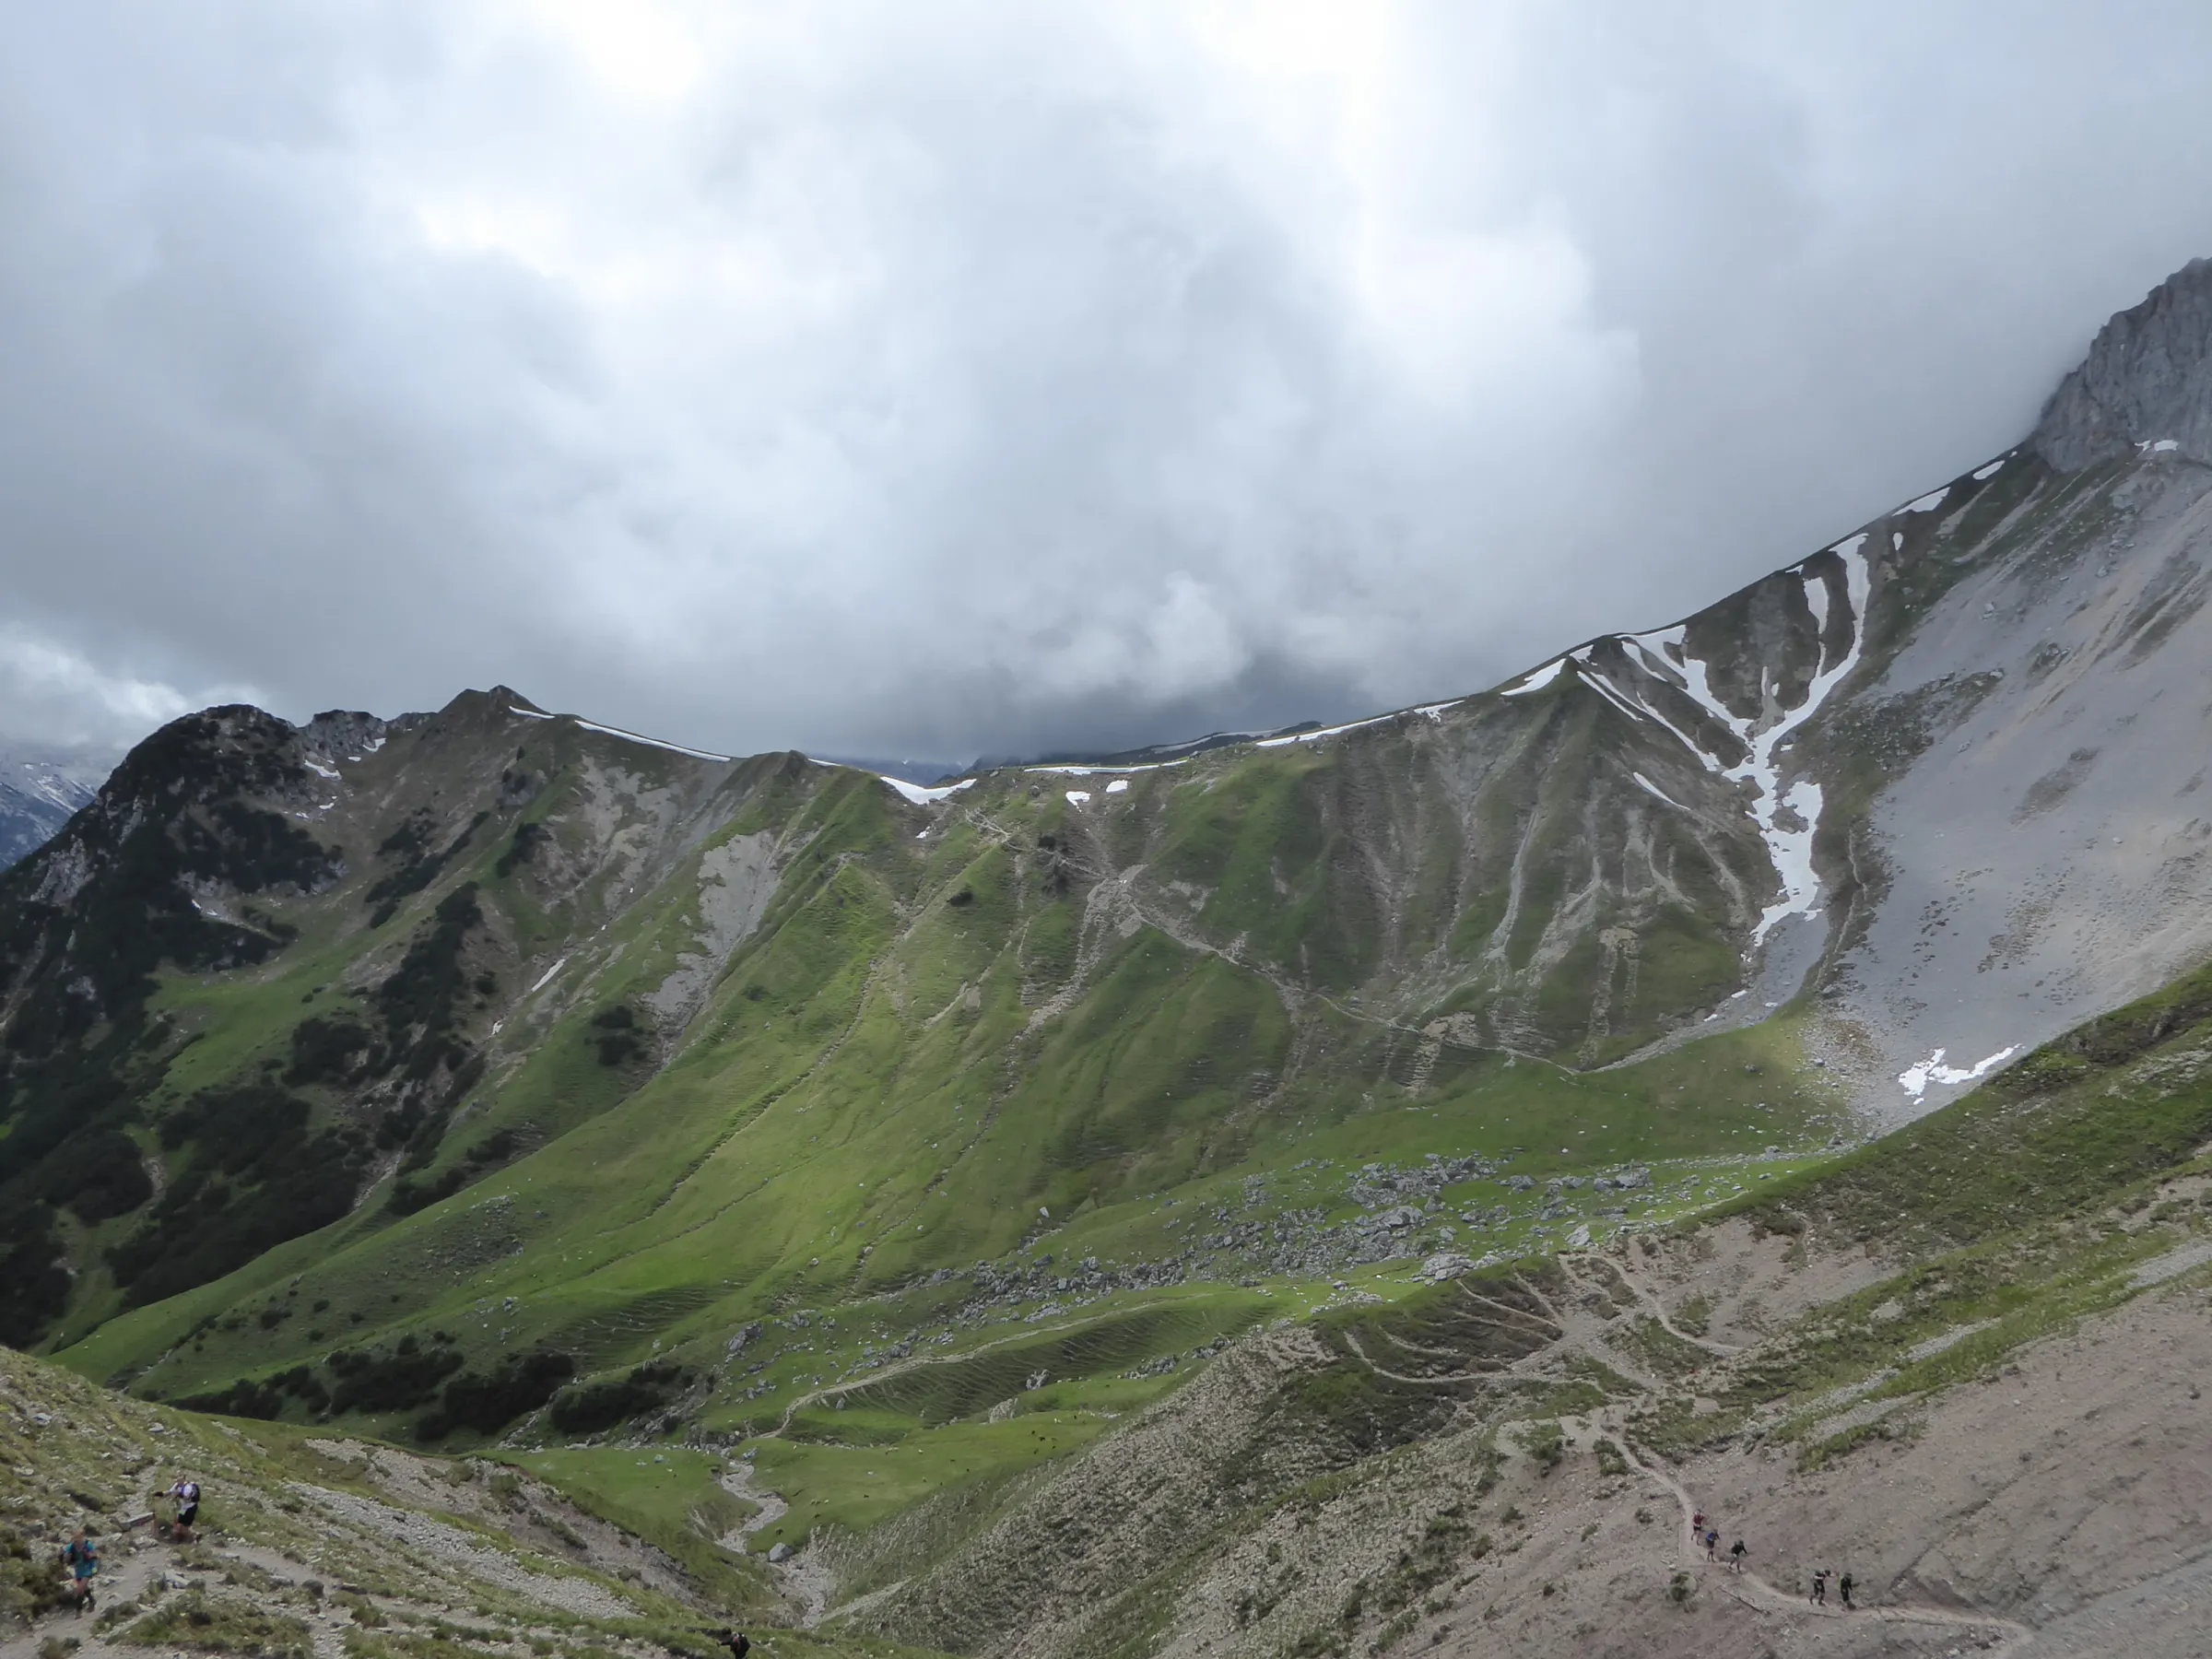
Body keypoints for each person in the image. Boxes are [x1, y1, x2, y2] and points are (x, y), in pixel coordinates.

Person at [62, 1529, 99, 1614]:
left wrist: (94, 1568)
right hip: (78, 1571)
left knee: (79, 1589)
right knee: (84, 1588)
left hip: (88, 1570)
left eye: (77, 1537)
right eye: (74, 1538)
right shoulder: (72, 1546)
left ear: (82, 1537)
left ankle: (78, 1610)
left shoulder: (88, 1545)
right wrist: (65, 1557)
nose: (76, 1540)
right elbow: (66, 1556)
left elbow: (94, 1557)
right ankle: (92, 1600)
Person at [169, 1477, 201, 1543]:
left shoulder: (188, 1488)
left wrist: (178, 1495)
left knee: (184, 1525)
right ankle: (182, 1536)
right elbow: (170, 1492)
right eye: (177, 1480)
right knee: (178, 1521)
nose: (178, 1481)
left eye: (180, 1480)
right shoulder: (177, 1486)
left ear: (183, 1480)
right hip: (184, 1508)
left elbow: (187, 1497)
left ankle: (194, 1535)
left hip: (190, 1508)